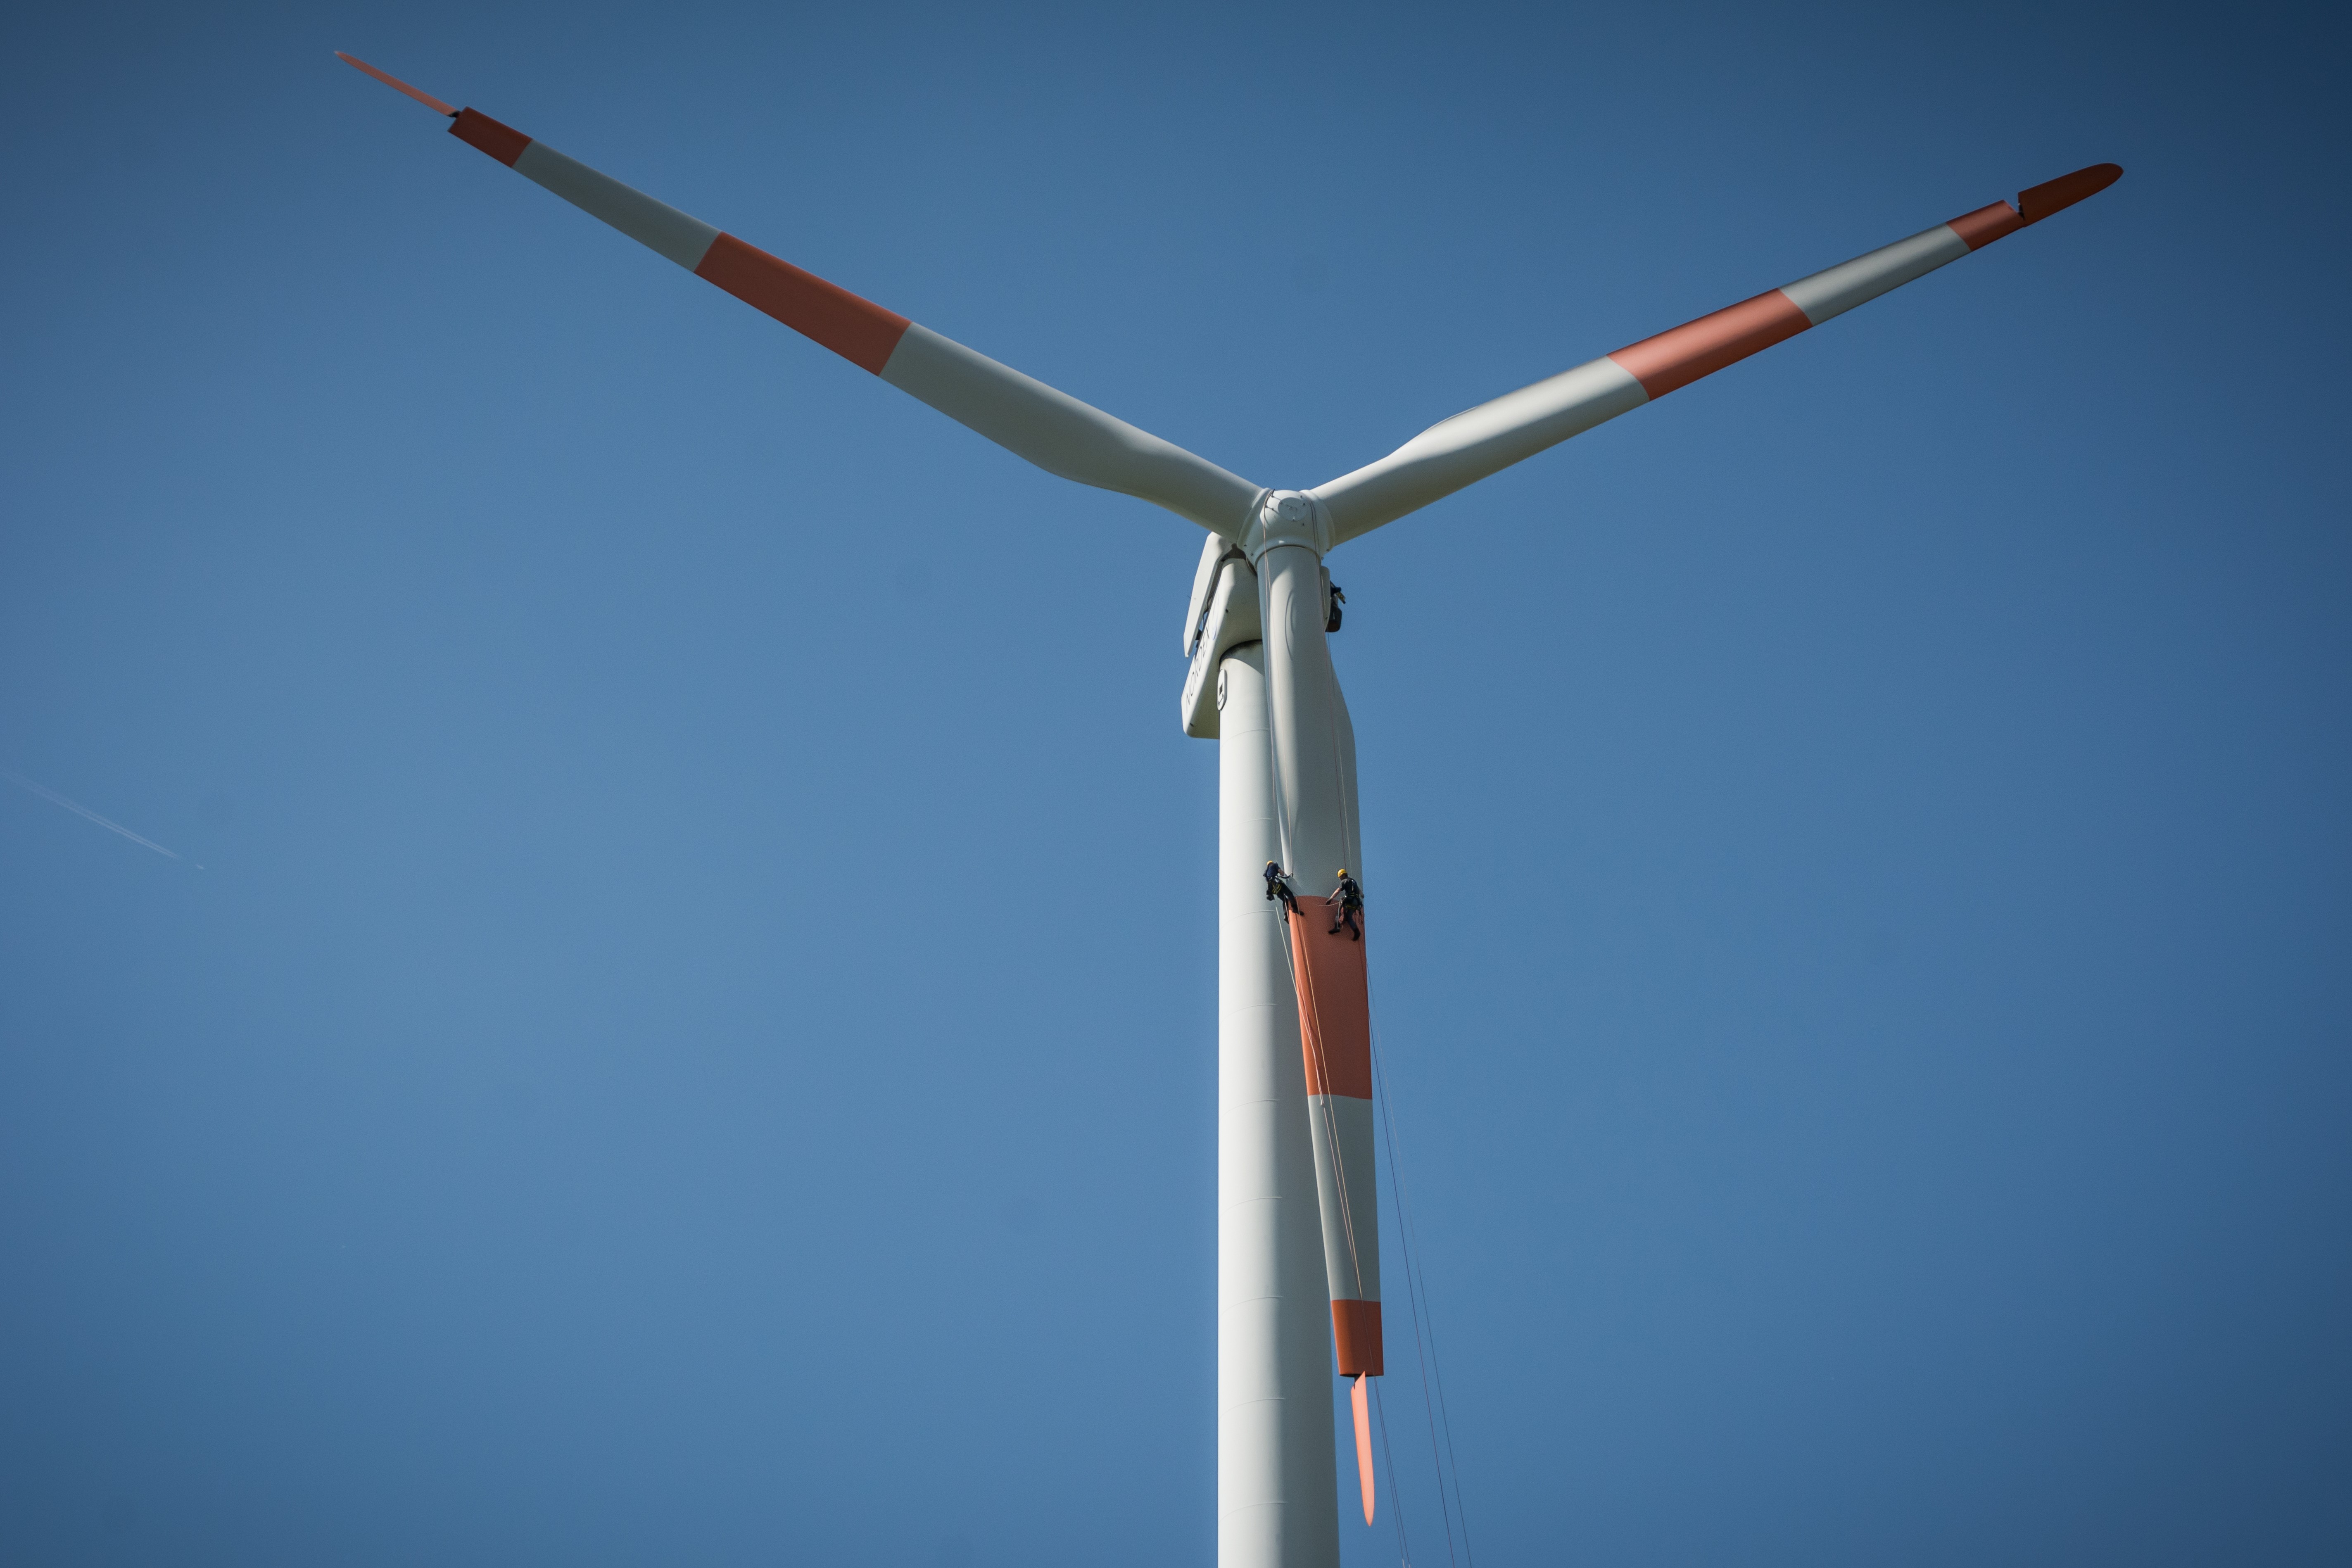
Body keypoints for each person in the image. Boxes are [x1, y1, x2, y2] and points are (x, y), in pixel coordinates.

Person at [1328, 870, 1363, 941]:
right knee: (1349, 918)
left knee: (1339, 911)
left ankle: (1337, 927)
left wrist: (1330, 899)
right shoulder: (1353, 881)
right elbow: (1359, 891)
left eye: (1340, 877)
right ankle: (1357, 932)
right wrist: (1362, 895)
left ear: (1343, 876)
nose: (1340, 879)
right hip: (1356, 902)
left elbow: (1338, 891)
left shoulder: (1344, 881)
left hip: (1350, 900)